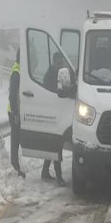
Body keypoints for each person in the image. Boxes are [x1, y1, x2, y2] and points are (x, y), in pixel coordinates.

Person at [40, 53, 67, 185]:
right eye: (58, 62)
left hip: (58, 113)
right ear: (54, 62)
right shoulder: (51, 74)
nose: (60, 64)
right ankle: (59, 177)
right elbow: (49, 92)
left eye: (61, 62)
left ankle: (45, 171)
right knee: (56, 146)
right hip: (53, 113)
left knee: (53, 146)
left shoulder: (61, 75)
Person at [7, 49, 26, 178]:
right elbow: (12, 95)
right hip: (14, 111)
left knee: (18, 138)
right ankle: (15, 165)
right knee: (15, 139)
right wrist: (15, 113)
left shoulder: (19, 70)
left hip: (17, 111)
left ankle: (16, 164)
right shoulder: (17, 73)